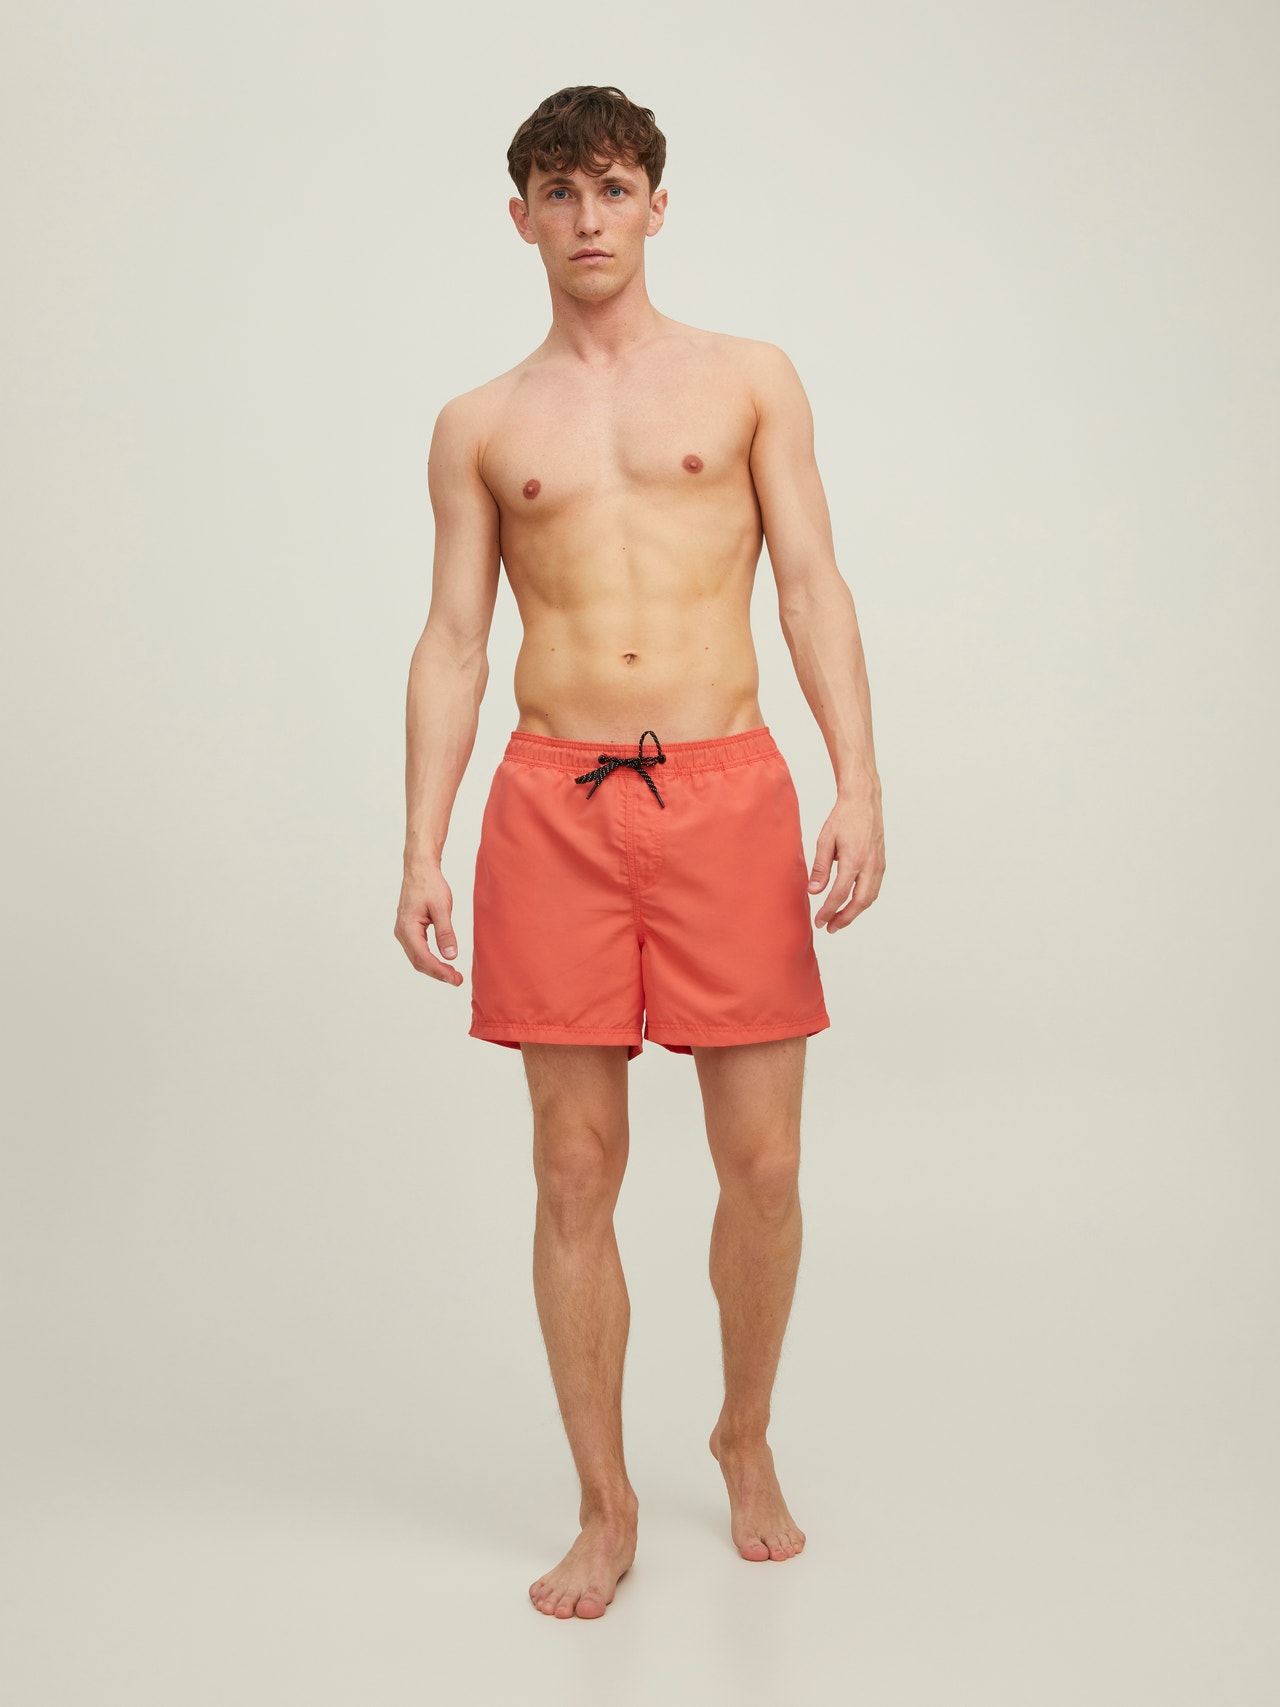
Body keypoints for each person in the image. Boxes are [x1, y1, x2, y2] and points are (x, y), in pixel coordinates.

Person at [395, 84, 885, 1620]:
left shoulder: (749, 381)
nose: (587, 217)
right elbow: (455, 642)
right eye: (559, 192)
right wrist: (419, 843)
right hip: (553, 802)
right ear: (521, 218)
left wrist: (859, 783)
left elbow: (810, 585)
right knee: (570, 1167)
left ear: (657, 206)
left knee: (767, 1162)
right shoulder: (481, 425)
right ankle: (604, 1506)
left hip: (725, 789)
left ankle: (742, 1431)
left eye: (612, 188)